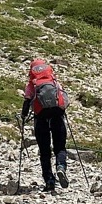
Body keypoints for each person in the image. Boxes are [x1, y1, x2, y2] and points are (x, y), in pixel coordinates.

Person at [20, 59, 70, 192]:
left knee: (45, 151)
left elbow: (26, 102)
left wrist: (23, 116)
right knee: (60, 147)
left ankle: (49, 181)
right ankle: (61, 167)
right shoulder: (53, 81)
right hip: (57, 115)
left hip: (40, 118)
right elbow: (64, 99)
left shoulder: (32, 84)